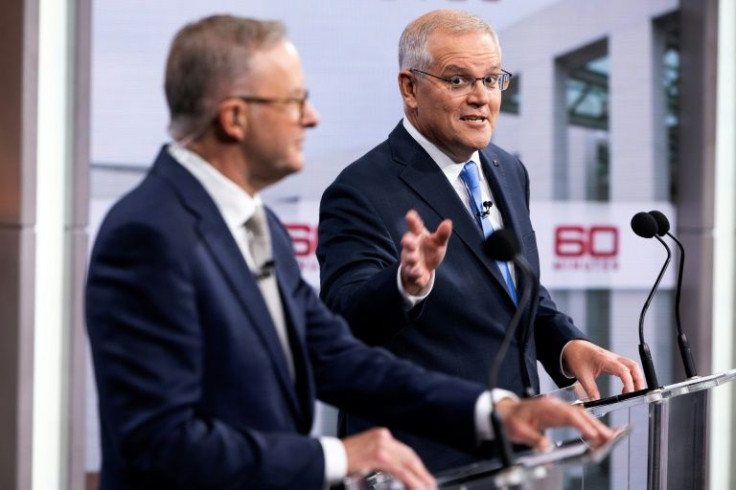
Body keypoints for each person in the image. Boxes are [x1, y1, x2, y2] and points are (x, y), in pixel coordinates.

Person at [86, 14, 616, 490]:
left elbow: (337, 358)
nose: (311, 118)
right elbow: (160, 443)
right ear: (234, 118)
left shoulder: (259, 222)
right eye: (294, 101)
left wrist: (492, 412)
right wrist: (335, 457)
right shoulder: (148, 234)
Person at [317, 9, 645, 472]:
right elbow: (345, 317)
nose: (480, 98)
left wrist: (566, 345)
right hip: (421, 463)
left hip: (517, 456)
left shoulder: (506, 168)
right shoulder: (360, 190)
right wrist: (406, 286)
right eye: (458, 80)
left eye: (492, 80)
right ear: (410, 88)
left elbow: (513, 289)